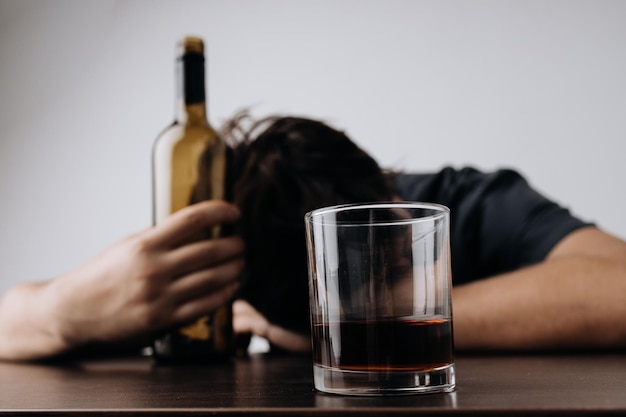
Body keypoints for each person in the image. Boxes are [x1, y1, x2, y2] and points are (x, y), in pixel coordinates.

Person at [1, 112, 626, 362]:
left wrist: (341, 321)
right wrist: (61, 312)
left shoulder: (467, 200)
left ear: (394, 197)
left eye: (397, 270)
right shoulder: (234, 249)